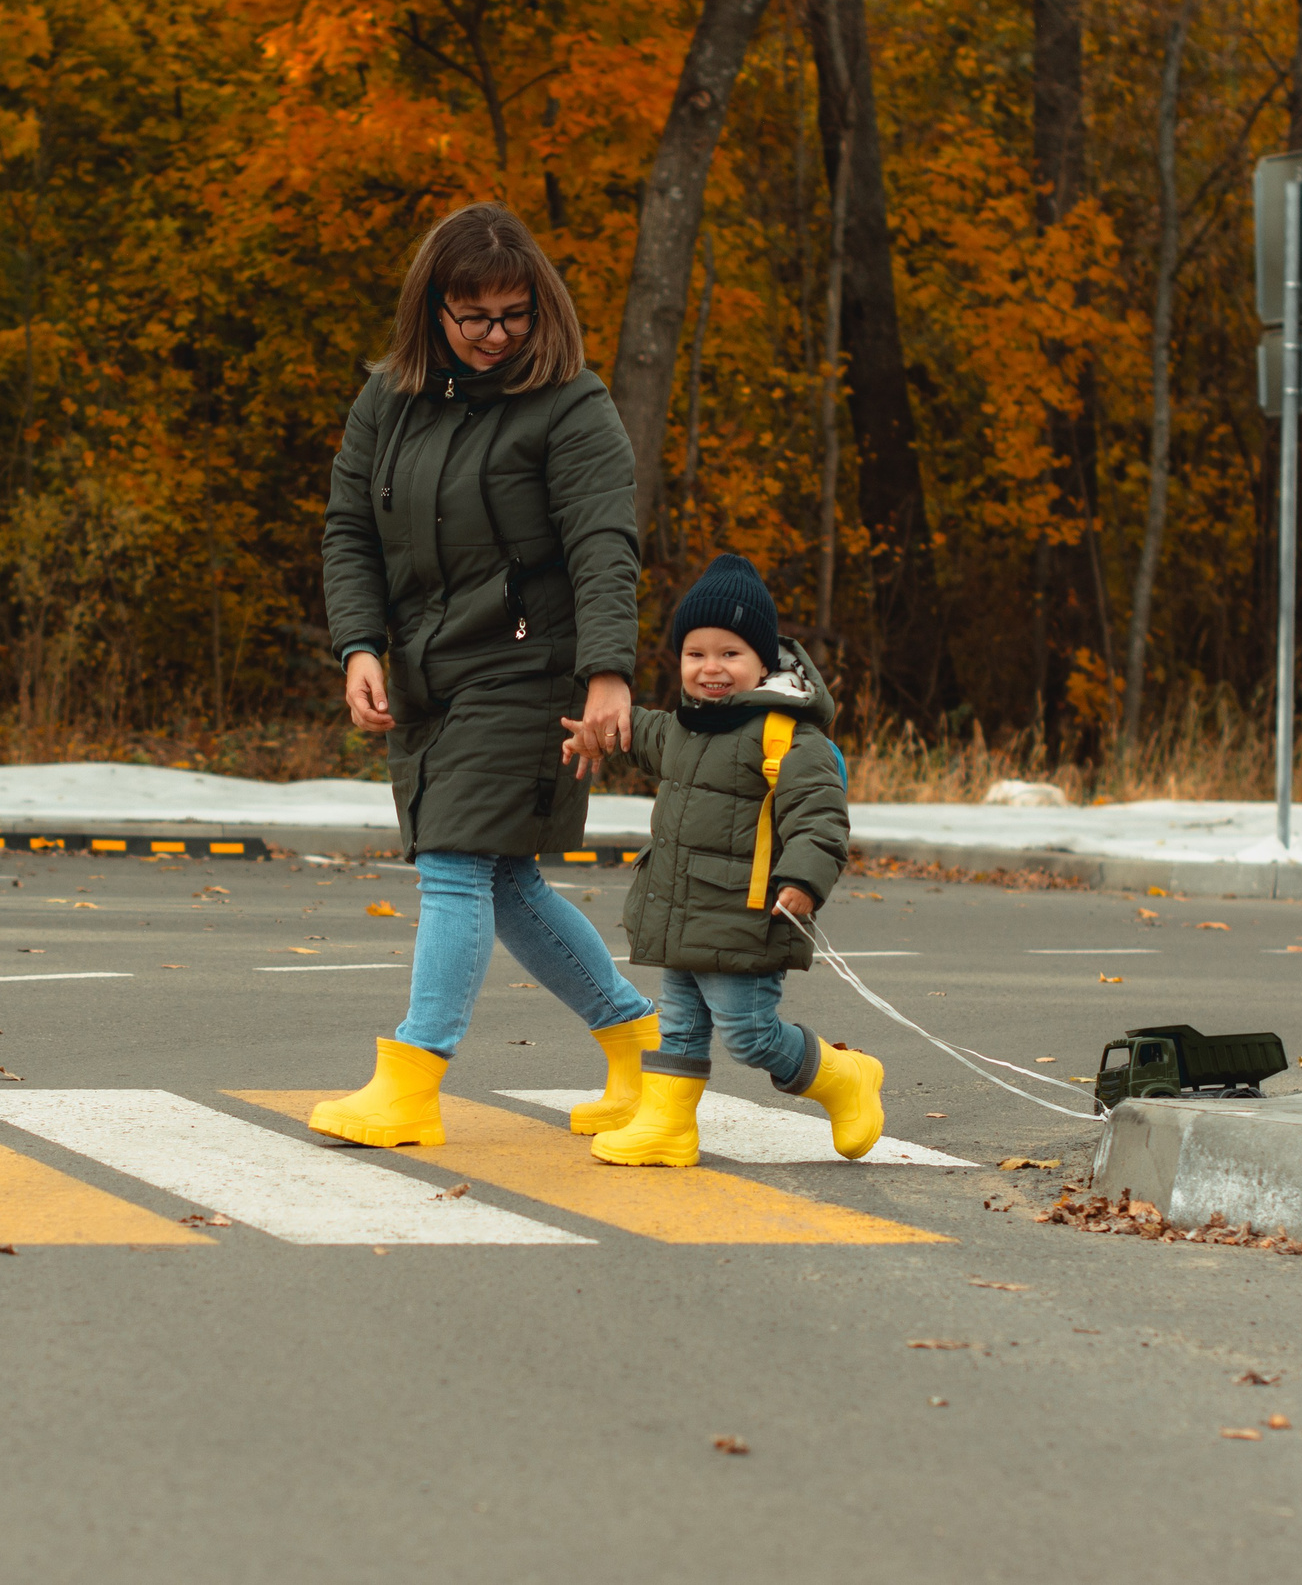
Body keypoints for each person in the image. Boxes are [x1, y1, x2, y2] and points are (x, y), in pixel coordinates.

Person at [312, 202, 660, 1149]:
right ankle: (639, 1044)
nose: (497, 336)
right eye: (475, 319)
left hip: (528, 668)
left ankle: (412, 1078)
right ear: (435, 311)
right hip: (431, 669)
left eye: (515, 316)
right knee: (504, 880)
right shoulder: (390, 398)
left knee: (457, 865)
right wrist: (360, 646)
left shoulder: (570, 405)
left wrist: (606, 674)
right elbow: (350, 530)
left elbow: (603, 543)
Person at [555, 551, 885, 1165]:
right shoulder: (681, 729)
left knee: (750, 1035)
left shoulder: (789, 738)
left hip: (747, 914)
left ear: (764, 661)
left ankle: (844, 1077)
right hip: (683, 910)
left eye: (730, 654)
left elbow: (820, 819)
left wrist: (803, 883)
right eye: (696, 654)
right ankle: (668, 1127)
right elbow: (631, 731)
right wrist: (594, 734)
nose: (711, 669)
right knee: (679, 1025)